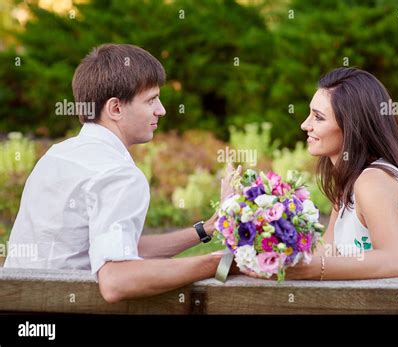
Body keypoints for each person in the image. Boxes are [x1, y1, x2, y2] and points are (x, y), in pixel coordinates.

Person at [4, 43, 237, 303]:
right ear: (115, 109)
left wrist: (207, 228)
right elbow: (117, 281)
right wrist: (222, 263)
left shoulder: (58, 155)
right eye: (151, 99)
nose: (162, 110)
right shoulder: (119, 174)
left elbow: (116, 248)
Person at [237, 67, 398, 280]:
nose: (305, 125)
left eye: (318, 117)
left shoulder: (372, 181)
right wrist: (265, 245)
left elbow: (394, 262)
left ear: (351, 125)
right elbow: (327, 248)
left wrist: (311, 269)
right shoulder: (351, 182)